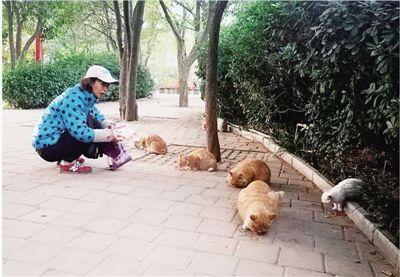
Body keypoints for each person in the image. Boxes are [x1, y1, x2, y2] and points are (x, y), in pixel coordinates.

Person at [32, 65, 128, 173]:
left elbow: (96, 115)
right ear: (90, 82)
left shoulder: (85, 96)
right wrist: (108, 135)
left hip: (53, 142)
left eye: (108, 85)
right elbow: (80, 133)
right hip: (47, 148)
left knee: (92, 123)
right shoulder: (74, 98)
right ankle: (67, 162)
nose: (105, 89)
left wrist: (110, 127)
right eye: (102, 84)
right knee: (86, 129)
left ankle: (68, 156)